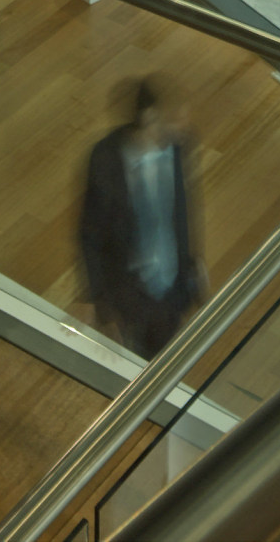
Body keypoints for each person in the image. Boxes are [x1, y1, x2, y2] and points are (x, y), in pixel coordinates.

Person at [78, 77, 206, 358]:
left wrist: (193, 267)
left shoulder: (178, 147)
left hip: (171, 291)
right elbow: (91, 233)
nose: (184, 130)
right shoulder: (105, 159)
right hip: (128, 296)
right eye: (176, 122)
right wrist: (98, 299)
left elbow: (183, 210)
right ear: (150, 117)